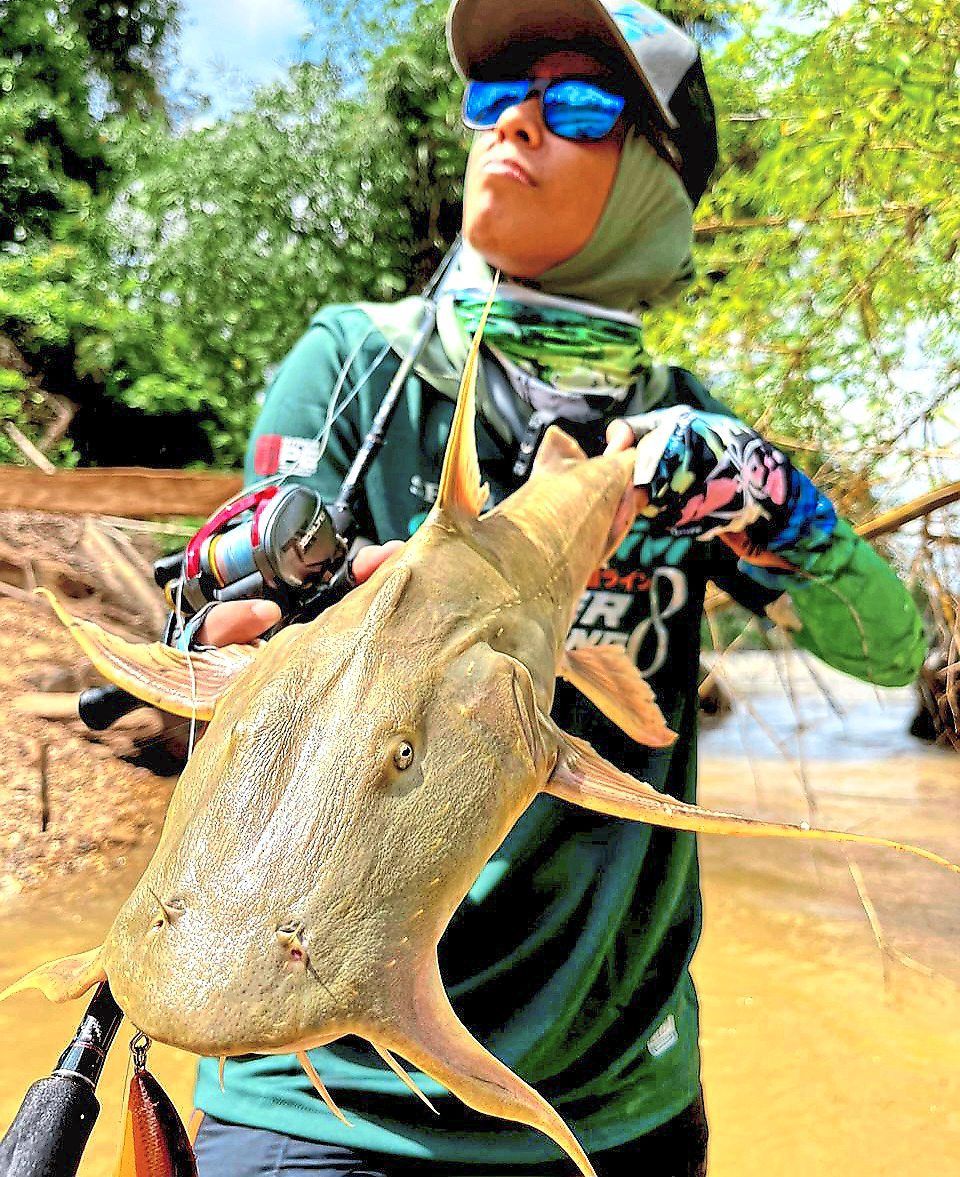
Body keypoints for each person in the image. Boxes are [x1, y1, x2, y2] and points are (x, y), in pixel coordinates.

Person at [188, 2, 926, 1174]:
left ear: (652, 181)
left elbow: (892, 648)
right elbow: (232, 606)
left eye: (577, 105)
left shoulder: (697, 429)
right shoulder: (357, 361)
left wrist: (775, 500)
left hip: (617, 1106)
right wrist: (255, 604)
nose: (515, 121)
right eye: (496, 97)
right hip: (317, 1088)